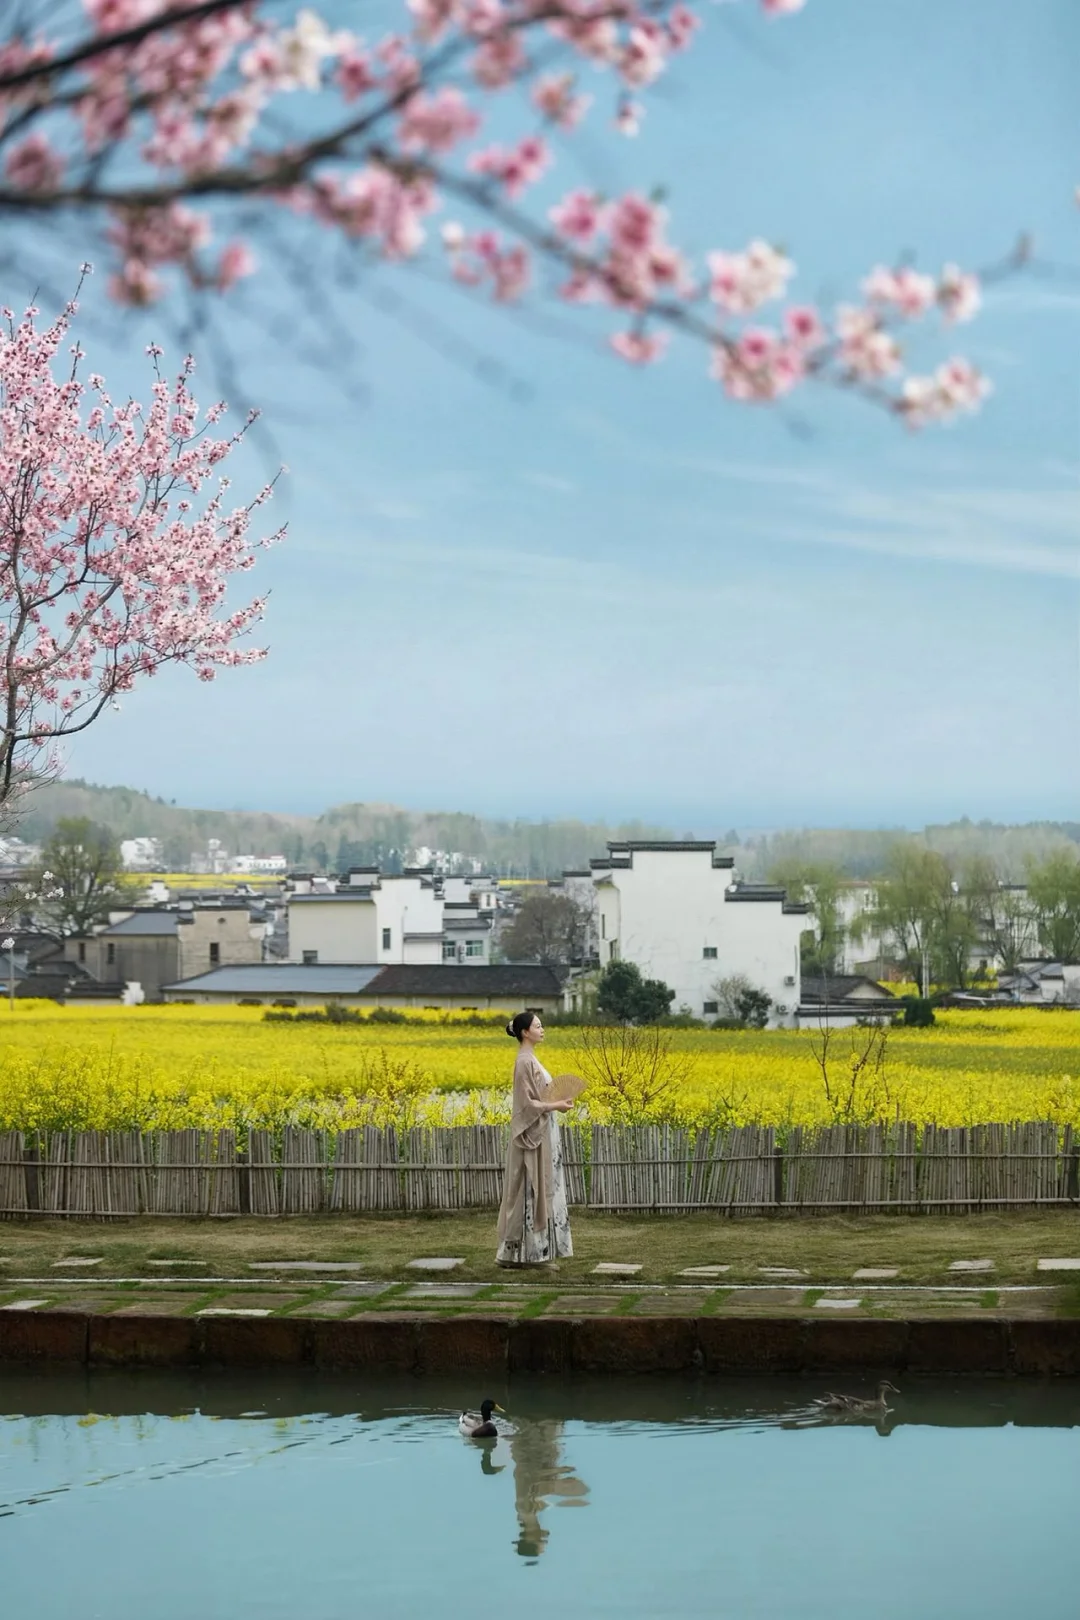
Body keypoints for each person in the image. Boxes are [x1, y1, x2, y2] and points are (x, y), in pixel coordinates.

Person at [496, 1010, 574, 1267]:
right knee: (532, 1187)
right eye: (538, 1026)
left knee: (537, 1187)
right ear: (524, 1032)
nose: (542, 1030)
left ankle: (522, 1254)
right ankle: (532, 1254)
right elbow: (527, 1104)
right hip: (533, 1133)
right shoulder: (524, 1061)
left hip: (543, 1130)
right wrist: (557, 1105)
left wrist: (556, 1103)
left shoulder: (531, 1059)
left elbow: (538, 1097)